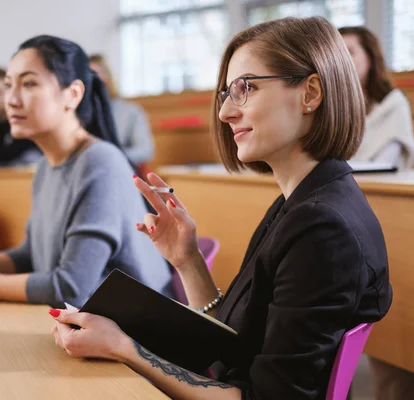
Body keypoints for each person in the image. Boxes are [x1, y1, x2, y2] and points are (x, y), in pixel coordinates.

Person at [48, 17, 393, 400]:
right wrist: (188, 261)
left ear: (310, 93)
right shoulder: (301, 202)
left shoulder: (323, 227)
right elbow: (233, 349)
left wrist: (124, 348)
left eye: (245, 88)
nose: (225, 112)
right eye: (226, 93)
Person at [0, 36, 174, 308]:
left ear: (73, 94)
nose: (12, 99)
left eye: (29, 84)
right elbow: (29, 257)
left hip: (140, 336)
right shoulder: (46, 165)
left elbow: (71, 288)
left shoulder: (100, 162)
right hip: (87, 328)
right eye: (8, 86)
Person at [339, 26, 414, 170]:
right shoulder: (328, 107)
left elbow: (384, 165)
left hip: (381, 186)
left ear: (370, 58)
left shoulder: (393, 104)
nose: (342, 61)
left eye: (350, 52)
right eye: (337, 55)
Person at [89, 54, 155, 168]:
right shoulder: (76, 112)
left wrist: (112, 157)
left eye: (96, 75)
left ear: (107, 78)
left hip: (119, 168)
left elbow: (145, 150)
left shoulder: (130, 111)